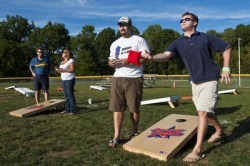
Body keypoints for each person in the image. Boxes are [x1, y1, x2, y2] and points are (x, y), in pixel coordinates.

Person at [146, 12, 231, 162]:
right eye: (181, 20)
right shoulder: (178, 42)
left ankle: (197, 150)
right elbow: (165, 55)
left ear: (195, 22)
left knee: (203, 113)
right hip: (194, 81)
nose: (183, 22)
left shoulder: (205, 37)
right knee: (206, 113)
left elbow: (226, 47)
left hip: (210, 78)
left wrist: (226, 68)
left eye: (187, 19)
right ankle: (219, 131)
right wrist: (152, 58)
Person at [108, 16, 150, 147]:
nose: (122, 27)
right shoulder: (115, 43)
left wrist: (129, 60)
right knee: (117, 108)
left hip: (134, 77)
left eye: (125, 25)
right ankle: (116, 136)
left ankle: (134, 132)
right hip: (117, 77)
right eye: (120, 25)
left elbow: (146, 58)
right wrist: (111, 63)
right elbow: (110, 61)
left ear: (130, 26)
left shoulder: (138, 40)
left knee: (134, 108)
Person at [55, 48, 76, 115]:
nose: (62, 53)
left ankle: (73, 110)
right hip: (63, 80)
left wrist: (63, 70)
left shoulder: (71, 60)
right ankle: (67, 110)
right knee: (66, 95)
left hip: (69, 80)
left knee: (70, 95)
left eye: (63, 52)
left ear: (67, 53)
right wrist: (58, 70)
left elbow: (72, 69)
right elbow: (61, 70)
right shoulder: (62, 62)